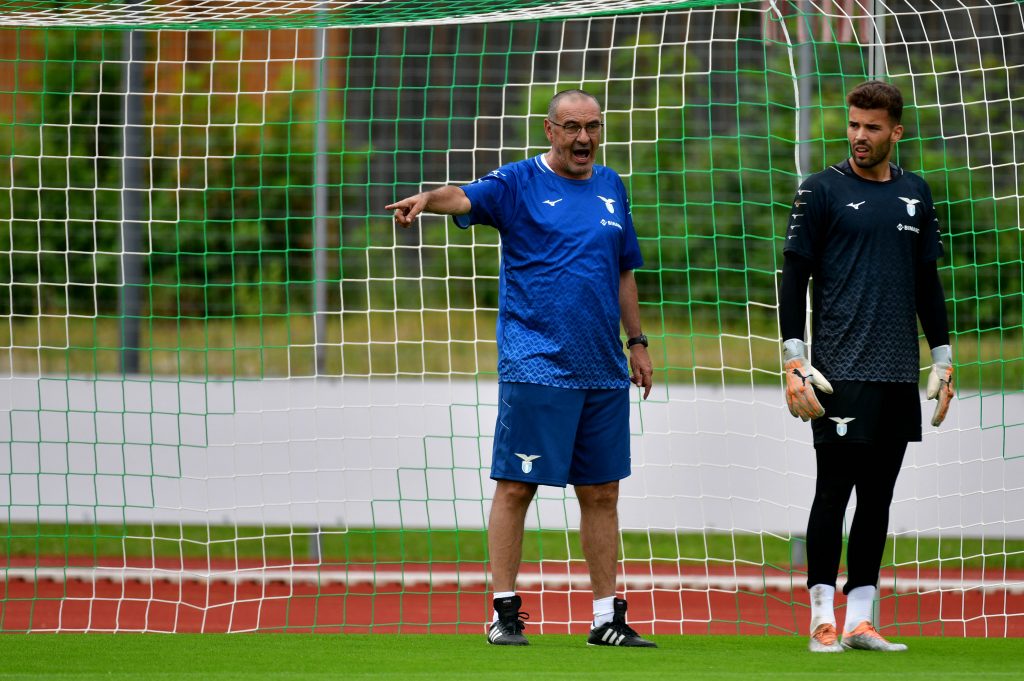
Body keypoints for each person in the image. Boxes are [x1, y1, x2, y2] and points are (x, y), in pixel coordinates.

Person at [386, 90, 656, 648]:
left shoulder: (611, 186)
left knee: (603, 493)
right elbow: (462, 196)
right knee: (516, 488)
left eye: (593, 127)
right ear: (550, 130)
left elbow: (624, 270)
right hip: (537, 363)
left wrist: (638, 343)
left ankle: (606, 617)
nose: (584, 138)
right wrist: (426, 200)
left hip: (603, 369)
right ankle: (504, 611)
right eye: (572, 127)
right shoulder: (517, 183)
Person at [779, 81, 955, 653]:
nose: (859, 135)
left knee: (878, 497)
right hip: (837, 370)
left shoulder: (916, 193)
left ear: (895, 131)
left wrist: (943, 358)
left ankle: (860, 620)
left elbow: (927, 283)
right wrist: (793, 358)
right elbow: (793, 278)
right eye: (853, 124)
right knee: (833, 492)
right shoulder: (820, 191)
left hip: (897, 372)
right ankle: (821, 620)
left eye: (872, 127)